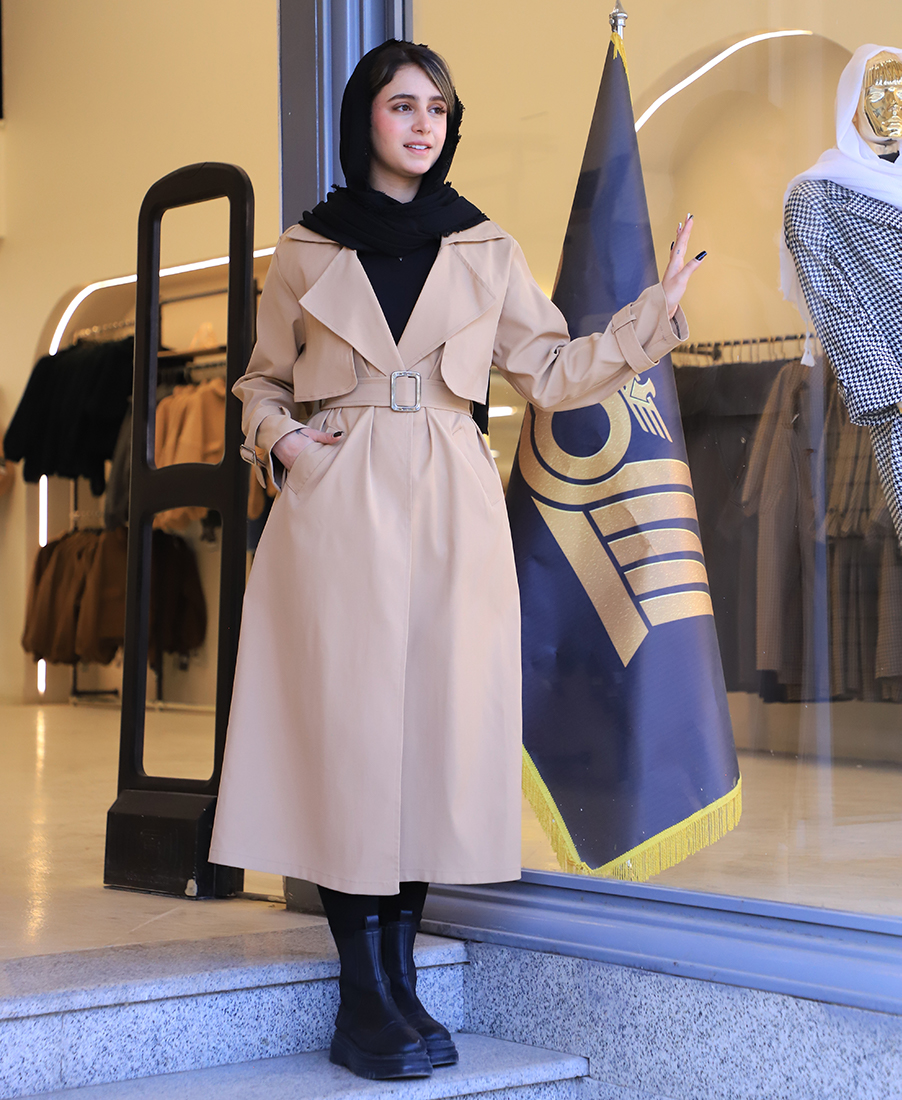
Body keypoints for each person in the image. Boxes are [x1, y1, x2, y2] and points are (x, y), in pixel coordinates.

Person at [209, 39, 703, 1082]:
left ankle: (398, 985)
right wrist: (286, 443)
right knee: (350, 739)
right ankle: (363, 994)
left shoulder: (484, 246)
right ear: (365, 118)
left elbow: (552, 371)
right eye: (403, 106)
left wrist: (650, 317)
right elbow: (258, 381)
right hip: (338, 499)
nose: (423, 124)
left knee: (432, 737)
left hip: (450, 499)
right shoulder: (304, 249)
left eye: (437, 108)